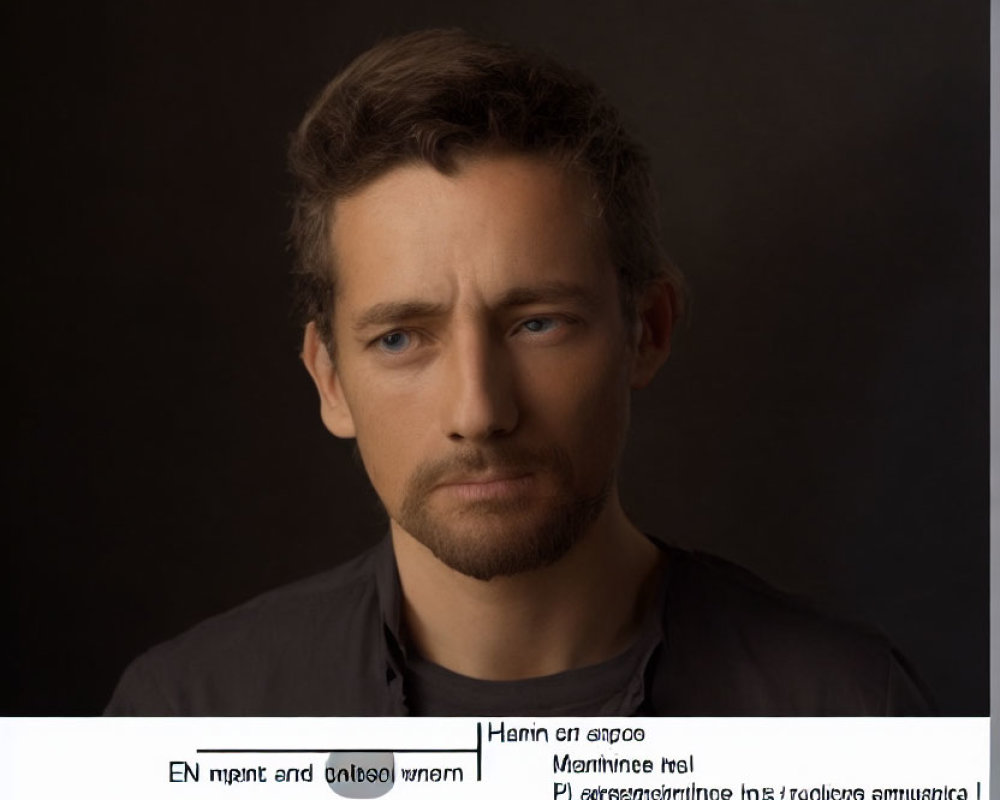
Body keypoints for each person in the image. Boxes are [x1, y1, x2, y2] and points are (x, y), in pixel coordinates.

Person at [106, 28, 930, 716]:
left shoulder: (851, 712)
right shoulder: (183, 717)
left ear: (647, 330)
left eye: (538, 323)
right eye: (401, 338)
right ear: (329, 379)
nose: (479, 410)